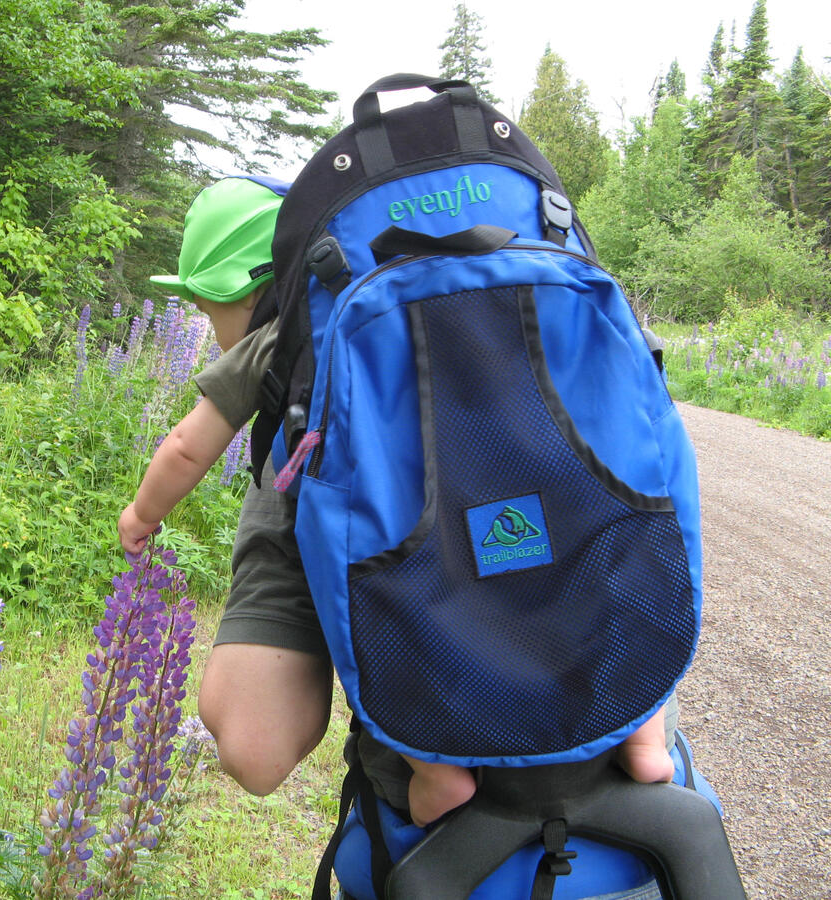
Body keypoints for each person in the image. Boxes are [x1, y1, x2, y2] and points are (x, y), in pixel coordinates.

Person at [117, 176, 676, 833]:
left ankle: (437, 774)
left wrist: (143, 514)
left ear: (245, 289)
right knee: (589, 589)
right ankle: (646, 740)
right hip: (506, 496)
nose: (214, 334)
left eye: (210, 314)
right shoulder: (435, 298)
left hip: (404, 528)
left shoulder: (279, 333)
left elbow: (188, 447)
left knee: (400, 619)